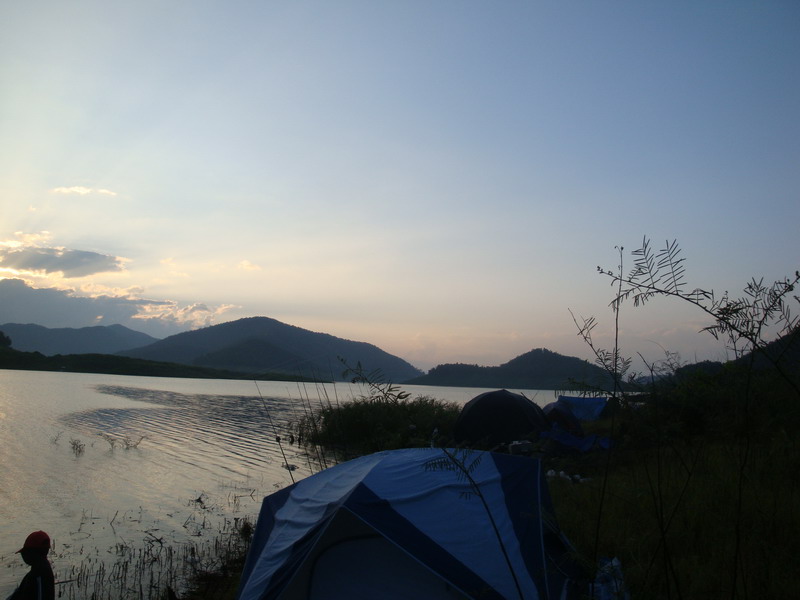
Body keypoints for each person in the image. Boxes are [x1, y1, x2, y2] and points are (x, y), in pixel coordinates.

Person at [6, 531, 54, 600]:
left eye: (25, 552)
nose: (23, 556)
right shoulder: (39, 571)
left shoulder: (39, 576)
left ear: (33, 553)